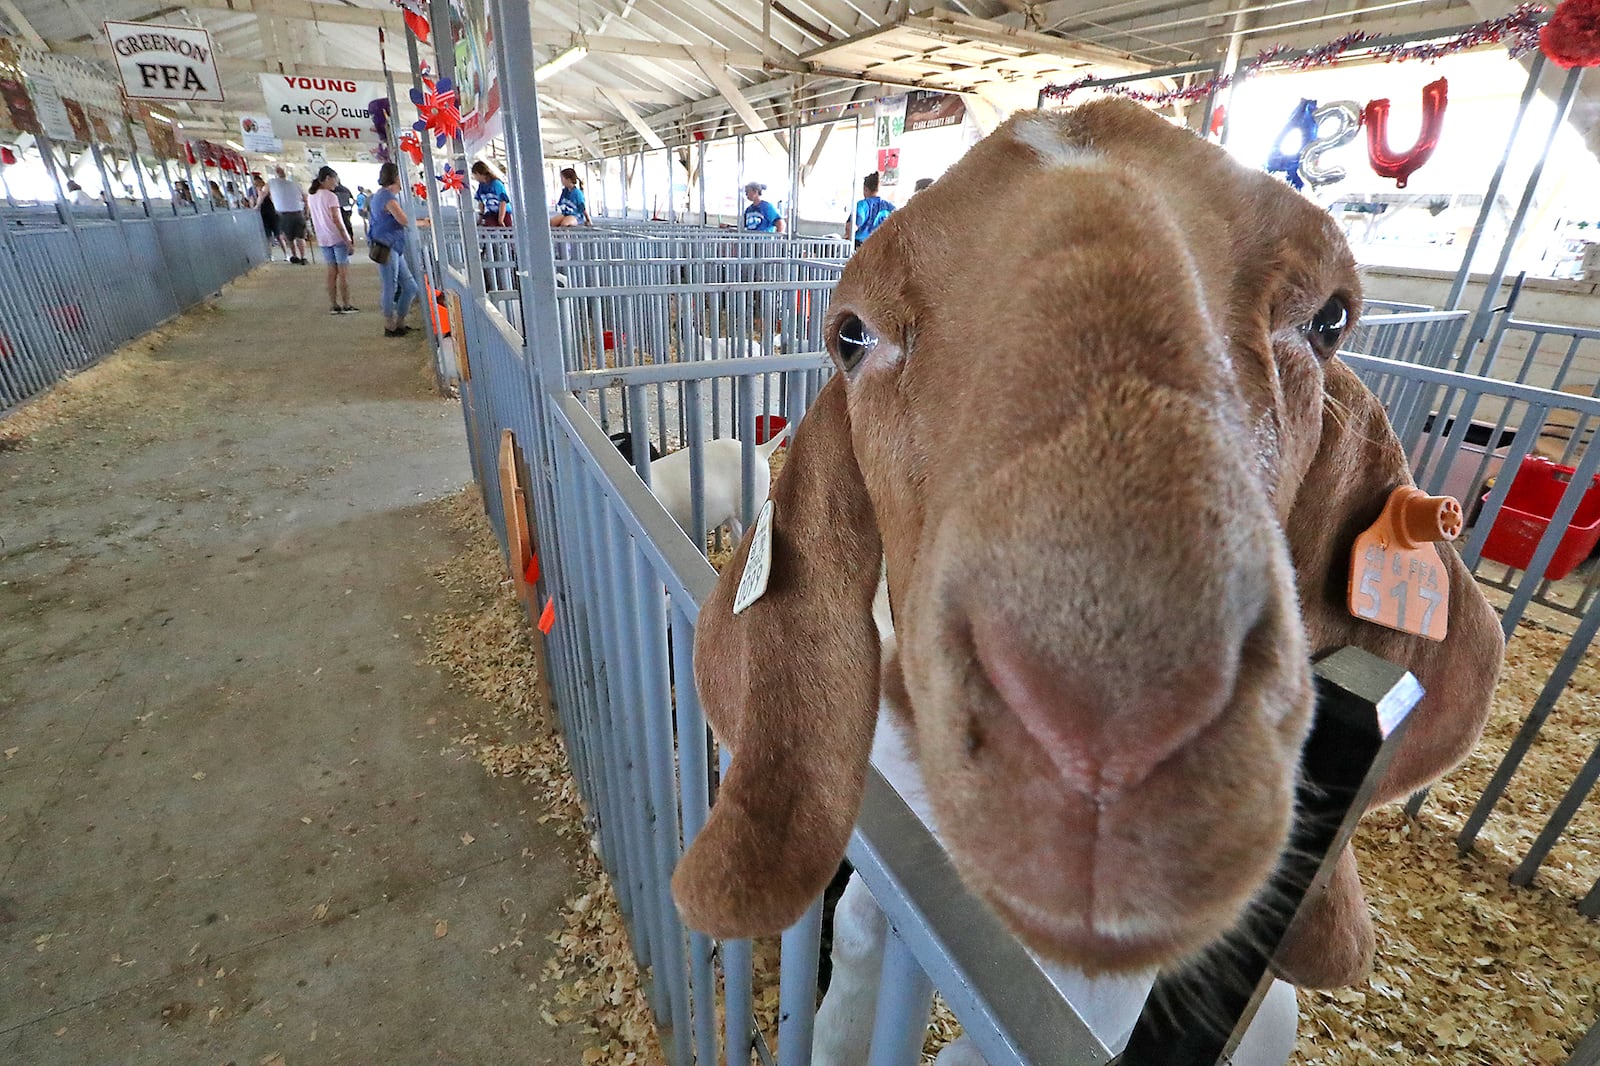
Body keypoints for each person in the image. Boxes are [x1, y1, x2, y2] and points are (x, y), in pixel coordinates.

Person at [369, 162, 421, 337]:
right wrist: (424, 223)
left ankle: (399, 321)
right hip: (388, 246)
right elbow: (403, 220)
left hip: (394, 247)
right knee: (391, 286)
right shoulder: (387, 197)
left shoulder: (384, 195)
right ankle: (390, 324)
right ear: (397, 178)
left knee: (410, 286)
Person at [308, 165, 357, 315]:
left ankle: (334, 305)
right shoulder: (330, 196)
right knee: (343, 273)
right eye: (334, 181)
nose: (335, 184)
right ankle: (347, 304)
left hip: (323, 239)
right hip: (336, 237)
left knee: (331, 272)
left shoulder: (312, 195)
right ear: (327, 178)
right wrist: (347, 239)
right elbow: (337, 220)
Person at [267, 165, 309, 265]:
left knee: (290, 237)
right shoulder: (296, 185)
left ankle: (295, 256)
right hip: (297, 213)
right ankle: (302, 257)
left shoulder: (273, 184)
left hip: (285, 214)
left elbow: (264, 194)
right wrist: (307, 212)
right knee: (299, 237)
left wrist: (257, 206)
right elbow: (305, 199)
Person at [846, 171, 895, 249]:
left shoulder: (862, 205)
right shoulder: (889, 207)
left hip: (860, 247)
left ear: (865, 189)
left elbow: (851, 227)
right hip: (880, 247)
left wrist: (847, 238)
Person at [254, 174, 287, 261]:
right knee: (268, 237)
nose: (257, 184)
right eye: (255, 183)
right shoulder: (255, 191)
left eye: (258, 182)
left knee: (279, 236)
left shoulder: (267, 189)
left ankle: (286, 254)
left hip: (273, 214)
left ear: (261, 181)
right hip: (264, 215)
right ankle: (270, 255)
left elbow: (271, 199)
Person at [472, 160, 512, 227]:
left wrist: (501, 219)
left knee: (507, 231)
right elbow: (481, 202)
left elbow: (503, 202)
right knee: (490, 227)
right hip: (491, 213)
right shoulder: (481, 186)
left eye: (475, 175)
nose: (474, 177)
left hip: (503, 213)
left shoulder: (496, 184)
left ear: (479, 173)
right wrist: (480, 218)